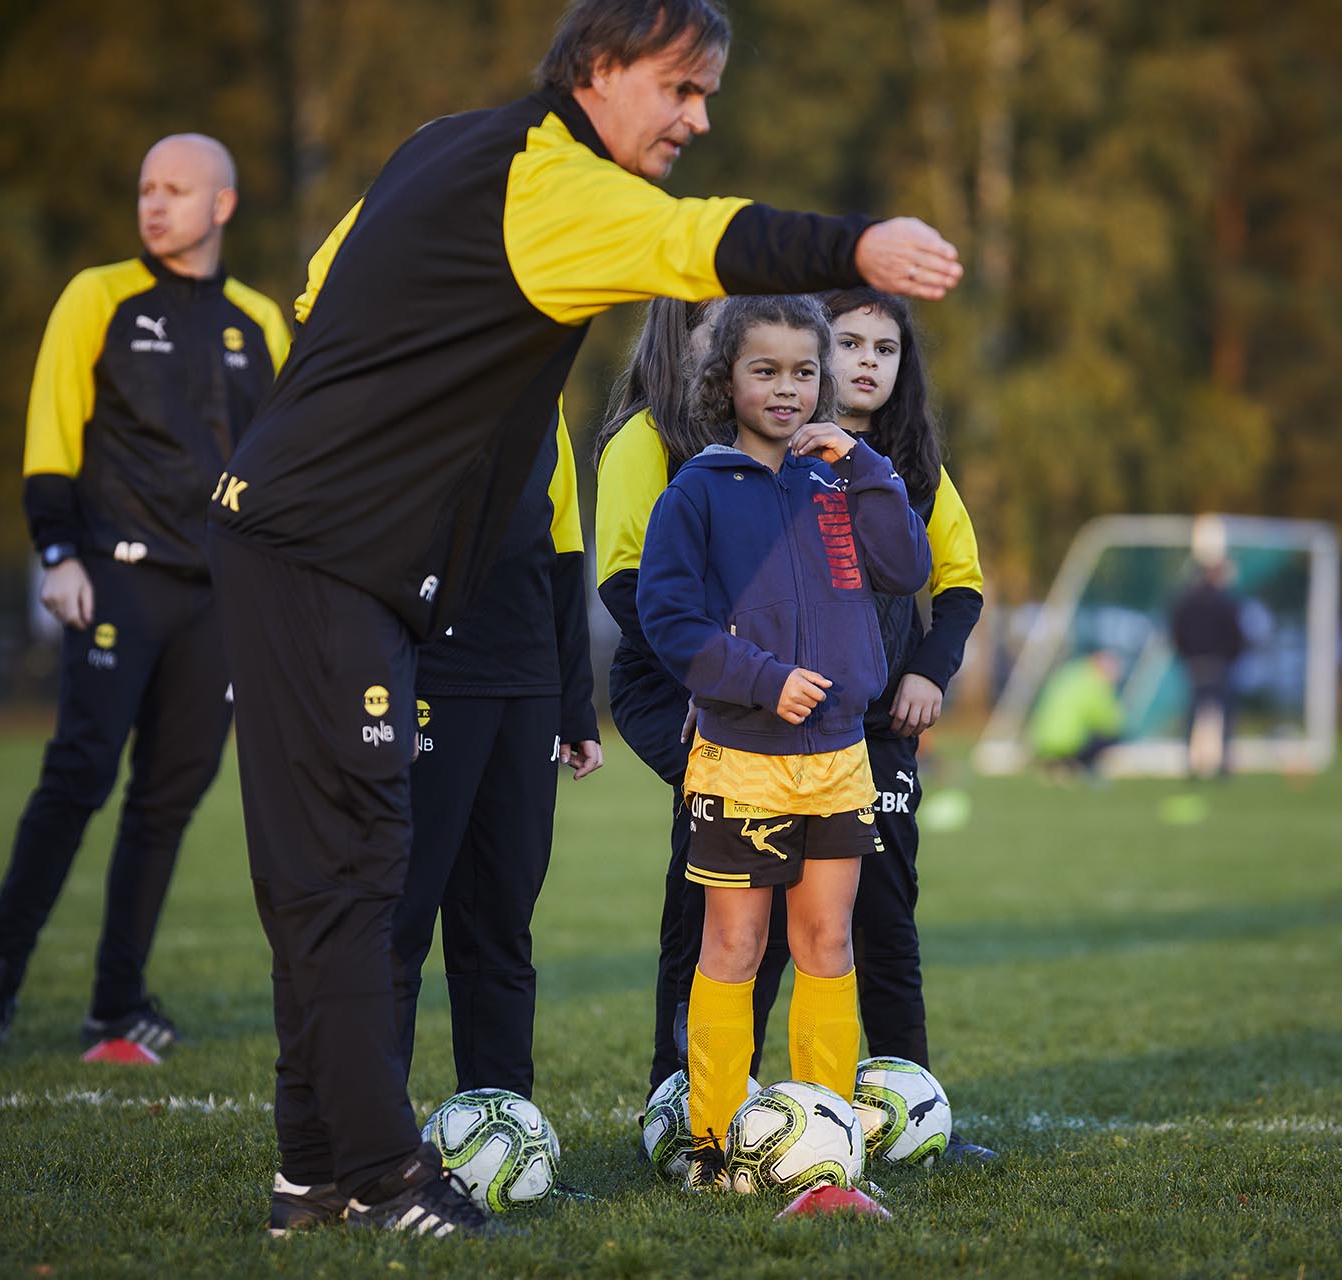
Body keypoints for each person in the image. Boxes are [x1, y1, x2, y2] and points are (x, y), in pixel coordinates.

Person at [206, 0, 959, 1239]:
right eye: (681, 88)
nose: (699, 118)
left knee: (333, 871)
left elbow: (320, 286)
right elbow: (702, 243)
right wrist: (863, 242)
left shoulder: (446, 143)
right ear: (600, 71)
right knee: (349, 869)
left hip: (325, 549)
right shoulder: (547, 182)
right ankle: (387, 1180)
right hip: (322, 552)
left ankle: (312, 1174)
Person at [0, 134, 290, 1058]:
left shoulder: (261, 320)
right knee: (78, 777)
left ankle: (116, 1000)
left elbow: (287, 459)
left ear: (222, 204)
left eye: (175, 189)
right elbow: (51, 435)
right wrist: (57, 552)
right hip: (115, 582)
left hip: (218, 598)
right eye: (144, 188)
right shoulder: (96, 296)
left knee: (169, 798)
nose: (154, 204)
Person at [638, 293, 932, 1191]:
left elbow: (908, 568)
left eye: (805, 371)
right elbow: (668, 617)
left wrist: (868, 464)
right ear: (725, 379)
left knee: (828, 942)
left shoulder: (842, 475)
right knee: (731, 947)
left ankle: (825, 1140)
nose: (787, 388)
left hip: (841, 755)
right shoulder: (698, 489)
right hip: (744, 759)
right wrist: (762, 681)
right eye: (764, 370)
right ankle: (716, 1145)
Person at [593, 299, 790, 1104]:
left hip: (753, 684)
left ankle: (732, 1076)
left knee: (774, 880)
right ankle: (679, 1089)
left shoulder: (764, 446)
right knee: (714, 876)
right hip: (670, 682)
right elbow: (624, 582)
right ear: (685, 337)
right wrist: (709, 677)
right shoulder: (646, 438)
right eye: (720, 326)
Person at [819, 287, 997, 1158]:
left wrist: (928, 670)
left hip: (880, 736)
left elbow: (960, 584)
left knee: (885, 927)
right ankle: (720, 1119)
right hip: (782, 736)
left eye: (884, 349)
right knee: (756, 934)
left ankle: (911, 1119)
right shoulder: (771, 452)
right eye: (848, 342)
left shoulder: (917, 468)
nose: (866, 361)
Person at [390, 403, 602, 1103]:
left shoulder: (547, 397)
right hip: (426, 682)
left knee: (502, 926)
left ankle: (501, 1130)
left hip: (527, 690)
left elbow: (564, 555)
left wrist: (574, 705)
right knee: (399, 920)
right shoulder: (414, 371)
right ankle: (368, 1146)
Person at [1171, 558, 1246, 778]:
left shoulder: (1186, 601)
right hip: (1219, 663)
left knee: (1194, 715)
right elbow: (1236, 635)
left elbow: (1176, 632)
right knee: (1224, 715)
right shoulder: (1226, 602)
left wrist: (1187, 655)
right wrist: (1230, 657)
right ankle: (1223, 765)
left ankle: (1190, 764)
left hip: (1195, 663)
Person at [1027, 650, 1125, 776]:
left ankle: (1057, 765)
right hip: (1069, 742)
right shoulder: (1094, 683)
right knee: (1111, 736)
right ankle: (1082, 767)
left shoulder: (1068, 674)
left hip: (1041, 740)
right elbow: (1109, 722)